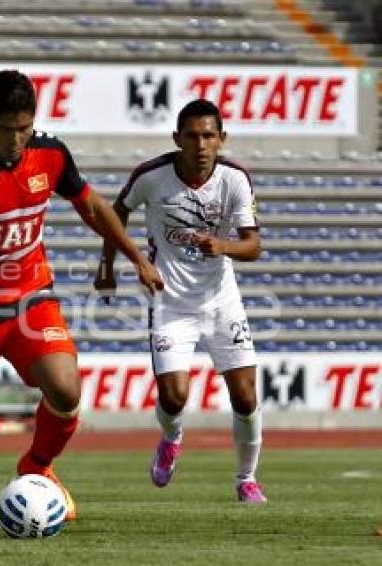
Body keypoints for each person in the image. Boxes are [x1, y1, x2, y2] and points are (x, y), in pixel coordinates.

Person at [0, 69, 164, 535]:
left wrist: (135, 259)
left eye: (24, 129)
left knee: (66, 389)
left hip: (31, 295)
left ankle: (36, 466)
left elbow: (91, 206)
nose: (16, 140)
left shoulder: (51, 153)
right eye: (6, 129)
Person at [96, 98, 266, 504]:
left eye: (209, 135)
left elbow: (254, 246)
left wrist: (221, 245)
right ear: (177, 139)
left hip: (223, 300)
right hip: (170, 302)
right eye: (192, 136)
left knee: (245, 397)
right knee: (174, 397)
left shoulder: (235, 179)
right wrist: (108, 265)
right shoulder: (151, 177)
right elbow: (114, 214)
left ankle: (246, 478)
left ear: (221, 139)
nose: (201, 144)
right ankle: (172, 438)